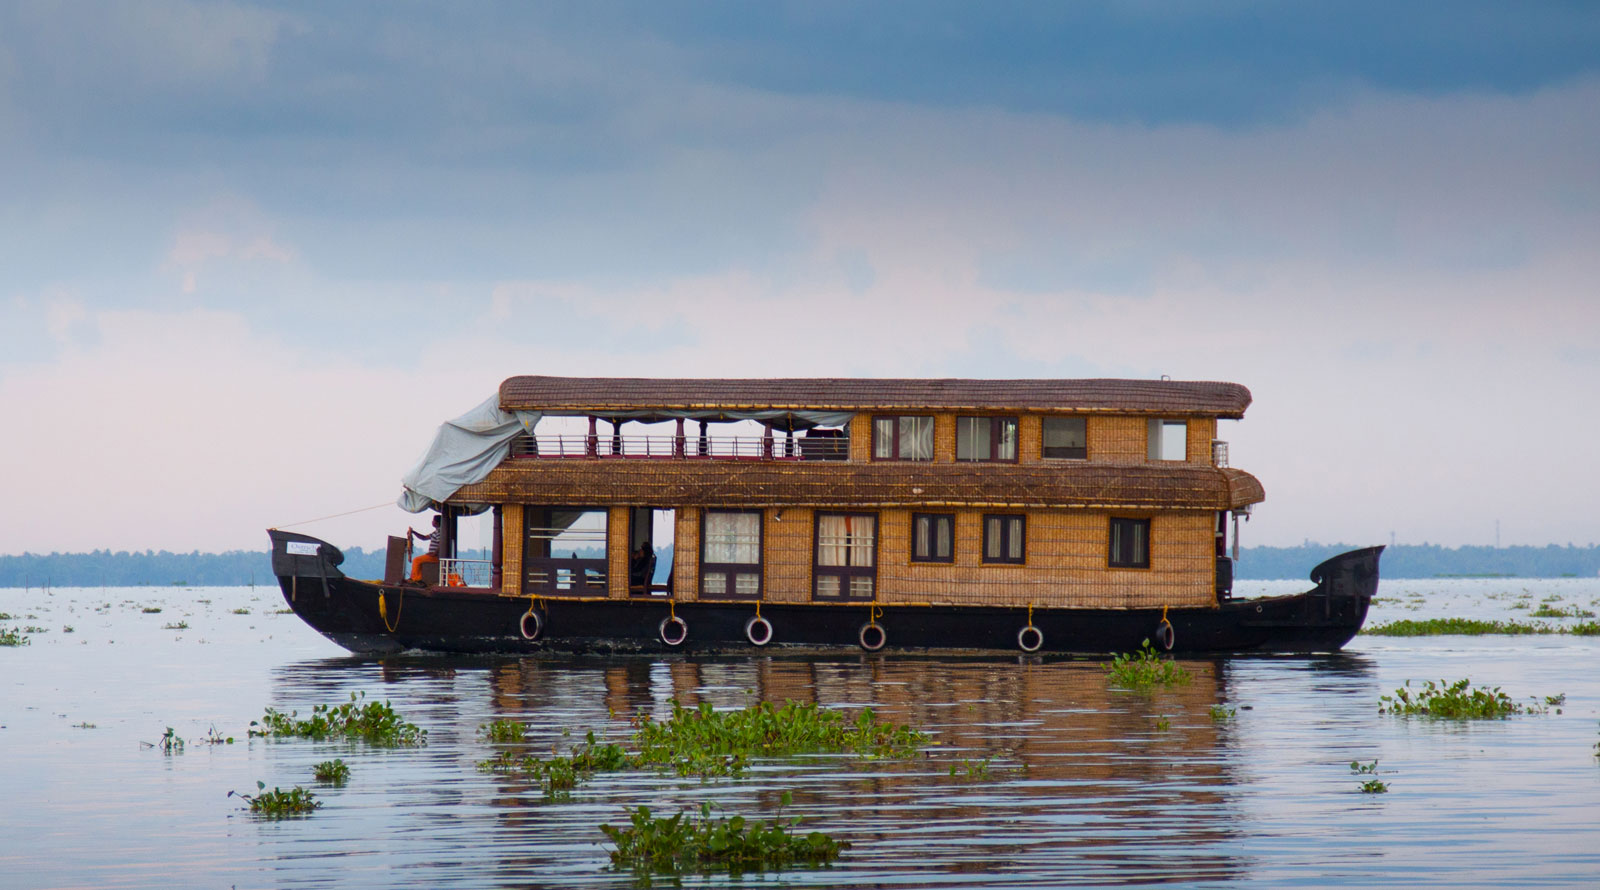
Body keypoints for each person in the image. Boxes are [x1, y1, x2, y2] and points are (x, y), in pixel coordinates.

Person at [409, 514, 442, 582]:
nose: (432, 522)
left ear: (437, 523)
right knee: (419, 562)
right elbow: (423, 538)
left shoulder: (439, 532)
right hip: (432, 555)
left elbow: (440, 543)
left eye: (433, 521)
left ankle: (415, 579)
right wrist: (413, 532)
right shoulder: (435, 532)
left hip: (435, 557)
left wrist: (434, 553)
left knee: (416, 560)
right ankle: (418, 578)